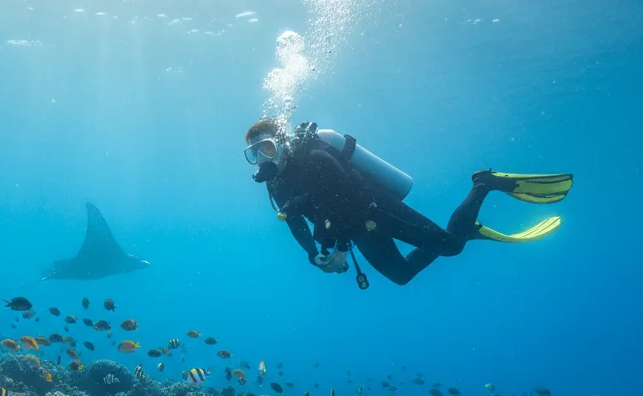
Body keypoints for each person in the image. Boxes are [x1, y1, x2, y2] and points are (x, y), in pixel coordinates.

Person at [245, 118, 572, 287]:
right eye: (254, 153)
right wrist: (313, 255)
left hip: (377, 211)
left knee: (451, 247)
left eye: (268, 148)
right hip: (356, 230)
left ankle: (483, 185)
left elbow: (350, 197)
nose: (263, 158)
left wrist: (341, 247)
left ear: (283, 142)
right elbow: (293, 220)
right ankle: (464, 229)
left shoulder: (315, 155)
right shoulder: (276, 183)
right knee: (401, 275)